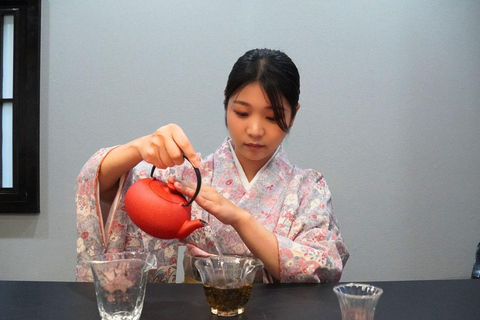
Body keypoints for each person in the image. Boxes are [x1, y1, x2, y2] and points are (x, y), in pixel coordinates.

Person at [76, 48, 349, 283]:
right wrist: (137, 148)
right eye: (241, 112)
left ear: (293, 115)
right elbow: (105, 186)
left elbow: (324, 265)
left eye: (272, 116)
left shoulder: (307, 188)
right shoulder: (188, 180)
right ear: (226, 103)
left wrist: (240, 219)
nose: (254, 130)